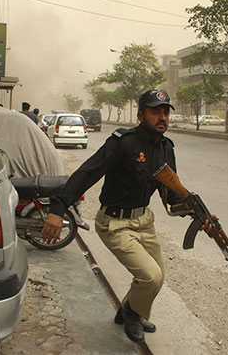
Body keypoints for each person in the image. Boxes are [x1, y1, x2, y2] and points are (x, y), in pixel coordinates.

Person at [41, 89, 185, 343]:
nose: (162, 117)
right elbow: (88, 172)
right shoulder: (123, 142)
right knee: (149, 276)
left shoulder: (165, 147)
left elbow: (172, 195)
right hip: (115, 223)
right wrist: (58, 208)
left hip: (144, 220)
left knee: (158, 275)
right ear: (141, 115)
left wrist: (196, 212)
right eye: (155, 112)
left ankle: (127, 312)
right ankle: (132, 313)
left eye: (165, 112)